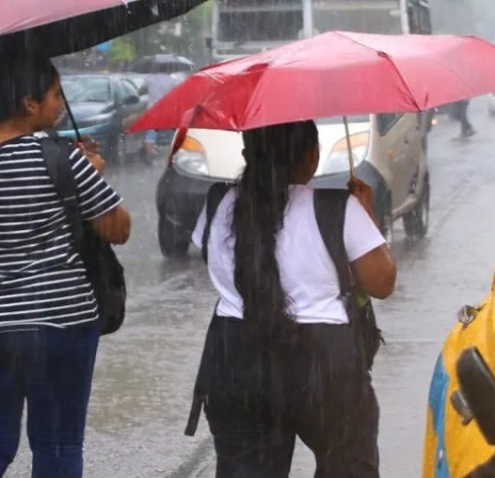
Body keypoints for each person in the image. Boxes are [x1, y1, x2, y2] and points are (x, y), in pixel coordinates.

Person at [0, 54, 132, 478]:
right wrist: (91, 177)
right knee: (58, 445)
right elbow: (117, 228)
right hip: (56, 324)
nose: (61, 104)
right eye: (55, 94)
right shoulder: (57, 157)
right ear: (29, 104)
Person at [189, 120, 397, 477]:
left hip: (235, 356)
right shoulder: (338, 208)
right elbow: (380, 283)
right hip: (324, 363)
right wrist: (367, 218)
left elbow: (212, 258)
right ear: (312, 157)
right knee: (346, 466)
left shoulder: (218, 202)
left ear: (247, 154)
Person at [142, 64, 180, 159]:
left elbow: (141, 91)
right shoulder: (173, 79)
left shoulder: (149, 79)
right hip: (168, 110)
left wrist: (148, 90)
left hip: (153, 110)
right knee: (173, 133)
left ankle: (149, 153)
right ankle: (173, 155)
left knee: (151, 132)